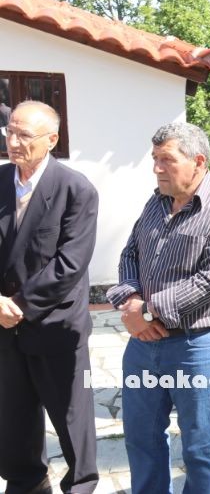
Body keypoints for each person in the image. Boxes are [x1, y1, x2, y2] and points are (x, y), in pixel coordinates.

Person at [106, 122, 210, 493]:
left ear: (198, 161)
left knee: (200, 446)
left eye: (166, 159)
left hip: (197, 345)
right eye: (155, 158)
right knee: (141, 437)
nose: (156, 168)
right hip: (144, 344)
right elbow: (130, 254)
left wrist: (147, 312)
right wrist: (132, 302)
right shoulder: (155, 202)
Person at [0, 101, 99, 493]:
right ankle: (27, 483)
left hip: (56, 326)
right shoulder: (0, 181)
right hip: (4, 327)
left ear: (52, 139)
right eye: (9, 132)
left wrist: (19, 307)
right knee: (14, 419)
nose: (13, 142)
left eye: (24, 135)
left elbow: (69, 264)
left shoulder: (75, 189)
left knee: (72, 421)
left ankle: (80, 486)